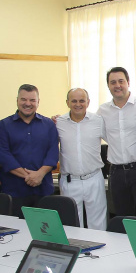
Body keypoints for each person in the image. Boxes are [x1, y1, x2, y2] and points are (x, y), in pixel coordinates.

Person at [97, 67, 136, 219]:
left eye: (121, 81)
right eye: (113, 82)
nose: (117, 85)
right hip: (116, 172)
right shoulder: (102, 111)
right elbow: (97, 132)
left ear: (128, 82)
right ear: (108, 85)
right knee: (122, 218)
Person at [0, 84, 59, 217]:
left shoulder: (49, 125)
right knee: (15, 233)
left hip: (43, 190)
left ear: (38, 102)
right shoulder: (3, 126)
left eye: (32, 100)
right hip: (14, 191)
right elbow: (3, 156)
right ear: (17, 100)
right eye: (23, 99)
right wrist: (30, 176)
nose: (27, 103)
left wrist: (40, 174)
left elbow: (52, 153)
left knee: (44, 232)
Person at [56, 88, 107, 230]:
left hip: (94, 178)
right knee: (71, 224)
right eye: (74, 101)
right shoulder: (59, 122)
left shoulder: (98, 121)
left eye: (82, 101)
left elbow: (114, 141)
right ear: (67, 102)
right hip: (69, 180)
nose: (78, 104)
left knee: (98, 224)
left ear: (88, 102)